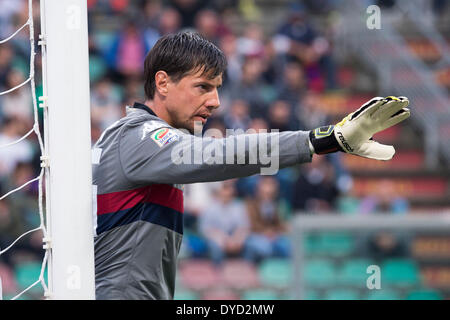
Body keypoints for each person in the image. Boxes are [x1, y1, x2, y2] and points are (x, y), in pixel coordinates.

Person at [92, 30, 410, 299]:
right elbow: (219, 154)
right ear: (163, 83)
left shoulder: (125, 137)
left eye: (217, 88)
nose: (215, 101)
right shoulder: (141, 137)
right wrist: (322, 140)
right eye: (203, 86)